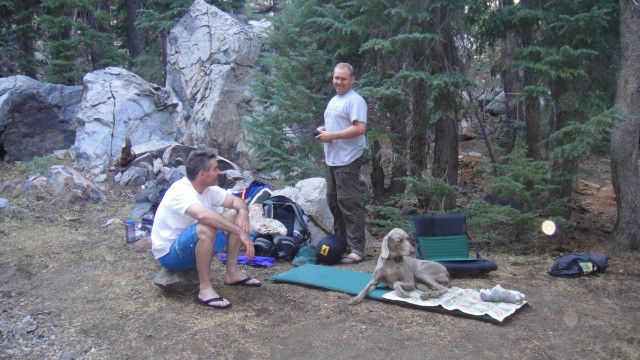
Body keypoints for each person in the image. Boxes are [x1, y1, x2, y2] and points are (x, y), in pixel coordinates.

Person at [151, 148, 260, 309]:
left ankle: (232, 273)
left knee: (234, 214)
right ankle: (205, 290)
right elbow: (203, 216)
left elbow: (237, 202)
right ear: (203, 174)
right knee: (206, 228)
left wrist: (243, 211)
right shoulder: (181, 191)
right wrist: (240, 232)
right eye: (215, 169)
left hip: (190, 245)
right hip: (170, 254)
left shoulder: (208, 189)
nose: (219, 172)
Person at [315, 62, 368, 264]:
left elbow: (359, 128)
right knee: (334, 202)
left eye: (343, 78)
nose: (339, 81)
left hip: (348, 158)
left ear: (352, 79)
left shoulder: (355, 101)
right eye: (336, 78)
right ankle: (340, 245)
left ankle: (357, 249)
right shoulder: (335, 100)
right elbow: (336, 125)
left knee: (349, 203)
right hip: (332, 159)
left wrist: (333, 135)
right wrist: (324, 130)